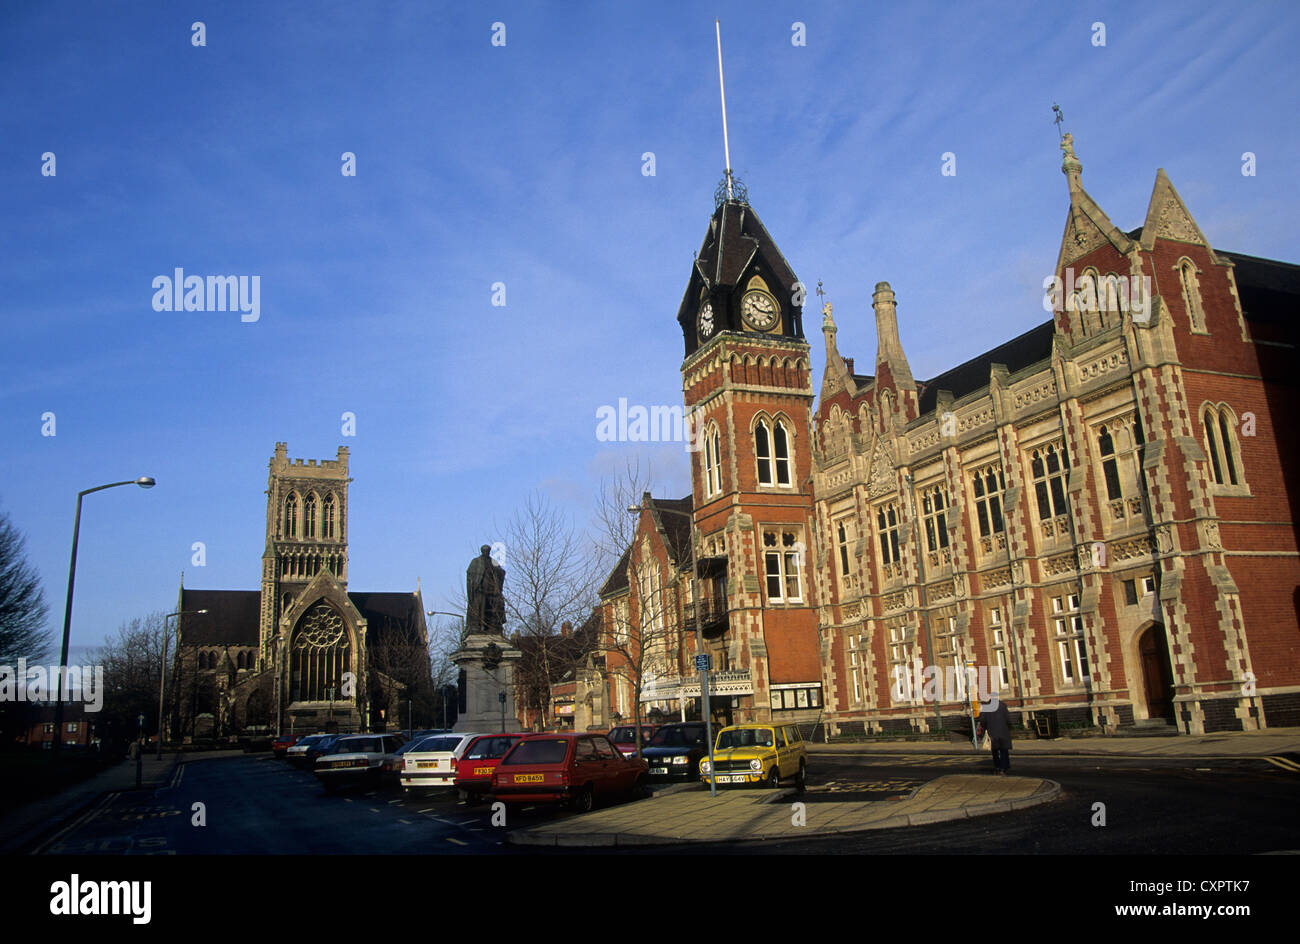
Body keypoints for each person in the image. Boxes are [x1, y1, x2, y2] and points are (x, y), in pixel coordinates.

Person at [976, 697, 1012, 774]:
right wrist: (1009, 727)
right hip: (1003, 732)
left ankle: (998, 767)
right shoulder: (1003, 705)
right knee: (1004, 750)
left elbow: (982, 720)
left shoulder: (986, 707)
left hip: (992, 732)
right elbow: (1008, 719)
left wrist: (985, 727)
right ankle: (1004, 767)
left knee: (995, 751)